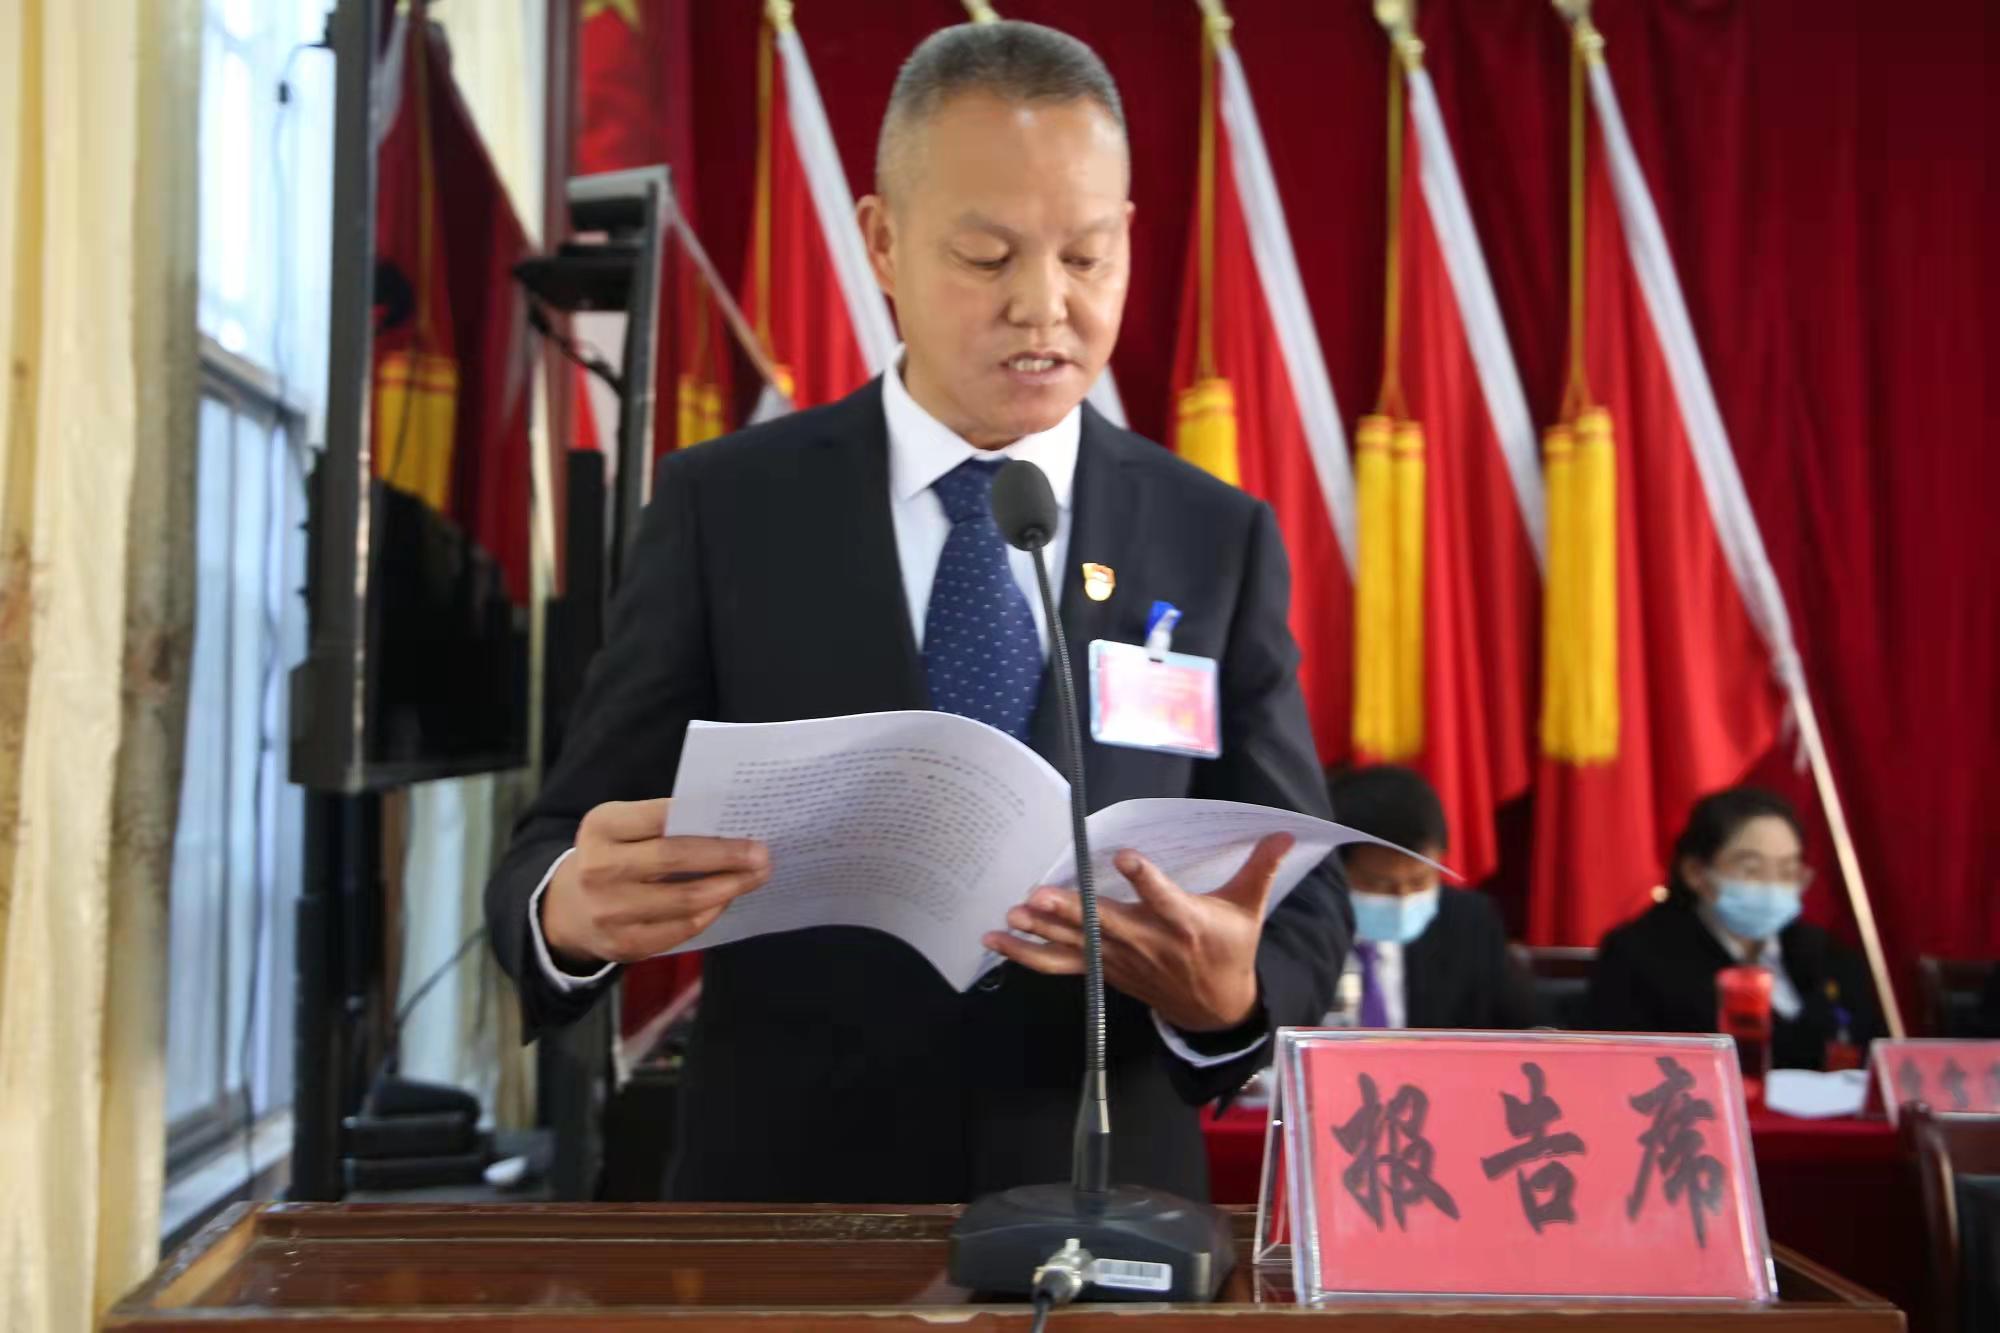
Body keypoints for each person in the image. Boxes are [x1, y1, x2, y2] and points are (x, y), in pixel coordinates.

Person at [484, 22, 1348, 1204]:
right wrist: (568, 913)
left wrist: (1229, 998)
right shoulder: (726, 507)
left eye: (1085, 256)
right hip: (786, 1205)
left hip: (1103, 1204)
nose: (1042, 305)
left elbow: (1303, 891)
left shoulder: (1213, 536)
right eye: (987, 256)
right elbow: (554, 843)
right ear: (882, 242)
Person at [1586, 786, 1882, 1069]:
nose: (1772, 887)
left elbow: (1868, 1051)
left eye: (1787, 870)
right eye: (1751, 870)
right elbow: (1622, 1066)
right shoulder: (1638, 955)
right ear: (1695, 872)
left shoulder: (1827, 953)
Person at [1327, 765, 1537, 1030]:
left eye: (1419, 881)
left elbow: (1527, 1028)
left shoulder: (1469, 923)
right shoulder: (1296, 926)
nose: (1403, 898)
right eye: (1380, 884)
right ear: (1337, 869)